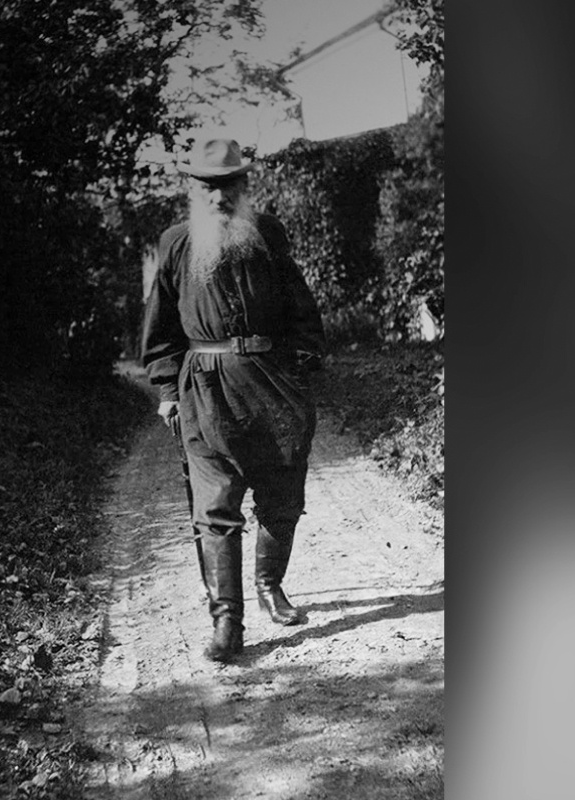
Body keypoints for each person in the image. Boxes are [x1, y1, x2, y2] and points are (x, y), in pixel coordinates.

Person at [141, 136, 326, 662]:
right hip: (205, 387)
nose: (219, 196)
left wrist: (304, 366)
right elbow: (160, 329)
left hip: (272, 384)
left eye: (228, 185)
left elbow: (301, 307)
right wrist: (166, 390)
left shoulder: (267, 234)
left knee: (282, 497)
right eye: (208, 186)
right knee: (216, 506)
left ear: (243, 185)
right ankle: (228, 622)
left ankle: (270, 585)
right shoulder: (176, 244)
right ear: (194, 189)